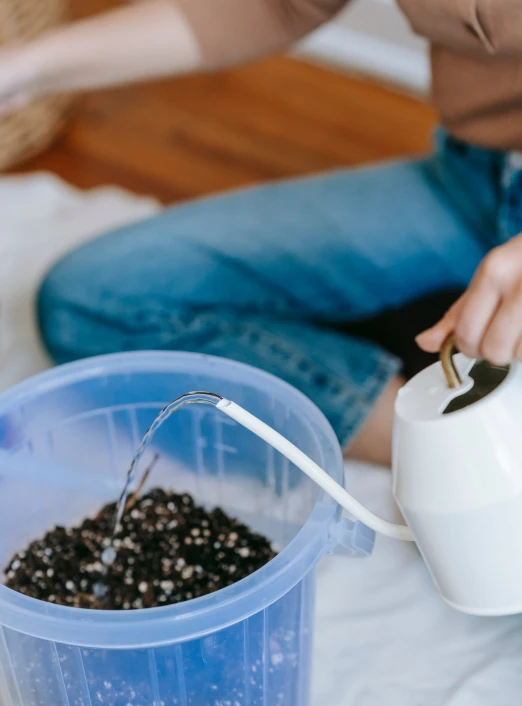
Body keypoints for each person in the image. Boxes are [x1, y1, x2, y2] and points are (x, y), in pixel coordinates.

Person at [1, 0, 521, 465]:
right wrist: (24, 69)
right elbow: (280, 6)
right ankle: (458, 455)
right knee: (94, 301)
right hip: (476, 180)